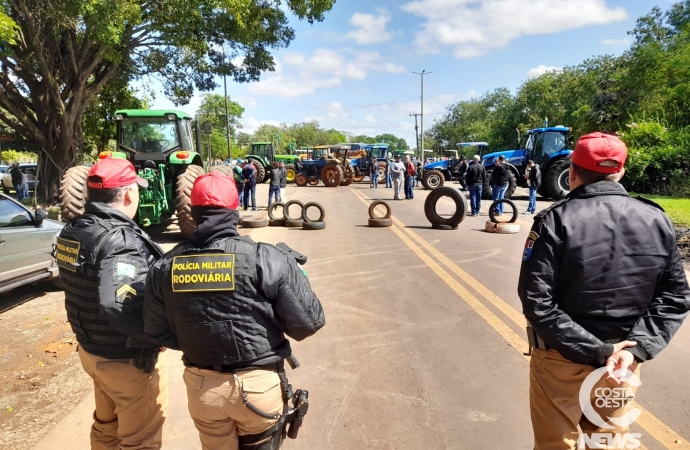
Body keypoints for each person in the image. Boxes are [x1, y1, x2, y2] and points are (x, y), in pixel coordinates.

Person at [518, 132, 690, 450]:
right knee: (608, 443)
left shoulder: (554, 221)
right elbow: (675, 296)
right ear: (620, 172)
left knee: (557, 444)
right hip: (623, 363)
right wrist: (631, 351)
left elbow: (536, 301)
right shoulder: (656, 219)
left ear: (571, 173)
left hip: (561, 360)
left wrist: (598, 351)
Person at [144, 172, 325, 450]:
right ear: (235, 209)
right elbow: (308, 323)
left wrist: (201, 337)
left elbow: (157, 330)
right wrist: (298, 274)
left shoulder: (165, 266)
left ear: (193, 212)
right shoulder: (265, 258)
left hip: (203, 389)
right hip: (259, 388)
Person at [54, 157, 167, 449]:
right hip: (125, 362)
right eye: (137, 190)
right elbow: (119, 305)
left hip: (92, 353)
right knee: (140, 440)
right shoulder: (121, 242)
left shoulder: (74, 230)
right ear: (129, 194)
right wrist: (156, 335)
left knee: (107, 429)